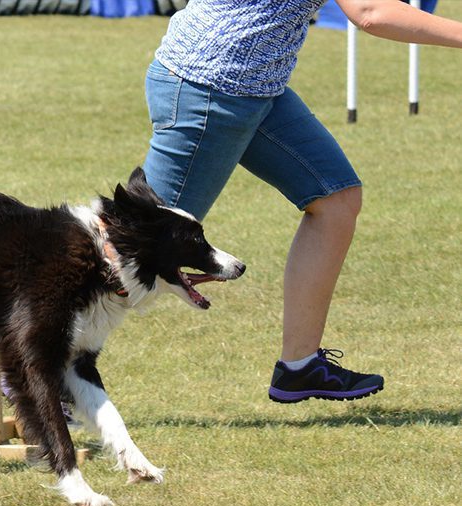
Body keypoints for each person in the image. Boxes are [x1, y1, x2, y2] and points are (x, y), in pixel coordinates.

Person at [143, 0, 462, 403]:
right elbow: (370, 11)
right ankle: (49, 376)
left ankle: (300, 366)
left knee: (335, 199)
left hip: (256, 87)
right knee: (142, 248)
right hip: (209, 87)